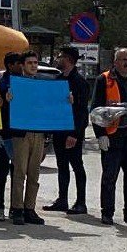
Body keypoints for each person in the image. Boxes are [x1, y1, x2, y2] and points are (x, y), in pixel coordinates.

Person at [91, 48, 127, 226]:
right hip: (113, 136)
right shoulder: (104, 79)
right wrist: (101, 135)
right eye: (123, 59)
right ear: (115, 62)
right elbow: (95, 110)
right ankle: (107, 212)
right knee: (109, 177)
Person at [43, 46, 90, 216]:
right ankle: (62, 199)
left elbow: (82, 112)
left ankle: (81, 202)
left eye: (60, 56)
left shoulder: (80, 82)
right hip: (59, 131)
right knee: (62, 165)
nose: (57, 58)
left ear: (69, 59)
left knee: (77, 166)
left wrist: (75, 134)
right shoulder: (57, 80)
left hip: (72, 133)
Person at [5, 51, 49, 226]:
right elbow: (4, 105)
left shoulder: (43, 84)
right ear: (22, 65)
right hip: (20, 133)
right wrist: (7, 99)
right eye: (29, 62)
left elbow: (49, 106)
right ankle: (17, 209)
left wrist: (66, 100)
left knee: (34, 173)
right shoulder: (15, 83)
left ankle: (30, 208)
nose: (33, 65)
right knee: (19, 172)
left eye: (35, 62)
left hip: (38, 132)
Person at [0, 52, 23, 221]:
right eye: (19, 63)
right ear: (10, 65)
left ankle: (15, 206)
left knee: (17, 172)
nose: (22, 66)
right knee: (2, 171)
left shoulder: (25, 81)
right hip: (4, 133)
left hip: (20, 133)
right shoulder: (0, 83)